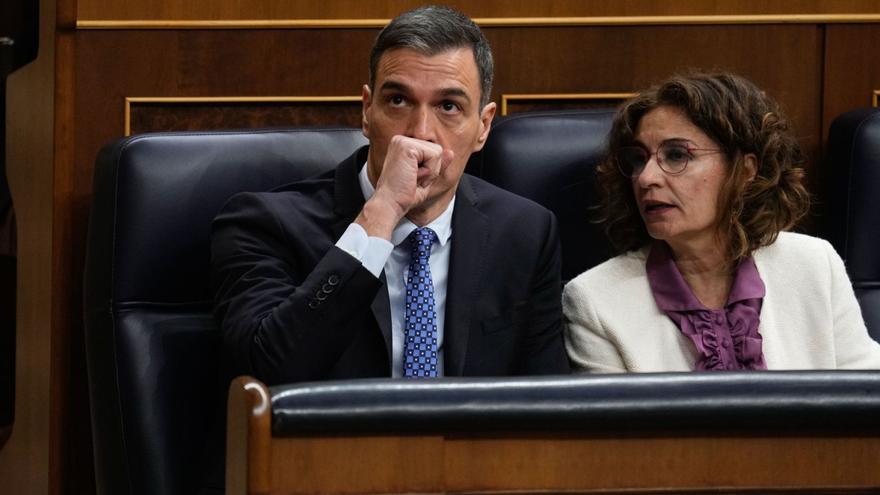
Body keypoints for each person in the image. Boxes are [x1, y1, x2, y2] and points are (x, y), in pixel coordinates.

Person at [212, 5, 569, 386]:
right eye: (398, 101)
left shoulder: (525, 232)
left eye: (449, 106)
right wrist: (381, 213)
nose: (420, 132)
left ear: (483, 127)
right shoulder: (263, 225)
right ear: (367, 112)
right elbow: (273, 369)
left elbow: (544, 405)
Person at [563, 71, 880, 372]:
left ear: (744, 170)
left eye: (676, 155)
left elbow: (863, 397)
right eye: (638, 160)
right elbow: (618, 429)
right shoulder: (595, 301)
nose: (646, 178)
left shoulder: (813, 264)